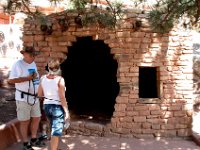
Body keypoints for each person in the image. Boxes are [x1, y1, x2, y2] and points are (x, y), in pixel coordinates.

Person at [8, 46, 45, 150]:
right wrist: (27, 78)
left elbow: (35, 79)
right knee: (25, 121)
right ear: (24, 54)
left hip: (34, 97)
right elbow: (10, 81)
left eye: (34, 55)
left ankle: (33, 139)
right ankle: (25, 143)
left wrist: (39, 92)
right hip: (23, 97)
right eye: (31, 55)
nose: (34, 57)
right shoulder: (18, 65)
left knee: (37, 118)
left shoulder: (33, 63)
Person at [38, 58, 70, 150]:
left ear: (49, 68)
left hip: (47, 106)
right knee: (56, 131)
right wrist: (66, 112)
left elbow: (39, 94)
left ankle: (54, 147)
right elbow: (62, 97)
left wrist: (48, 91)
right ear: (58, 68)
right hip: (57, 107)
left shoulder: (43, 78)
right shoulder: (60, 80)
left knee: (53, 127)